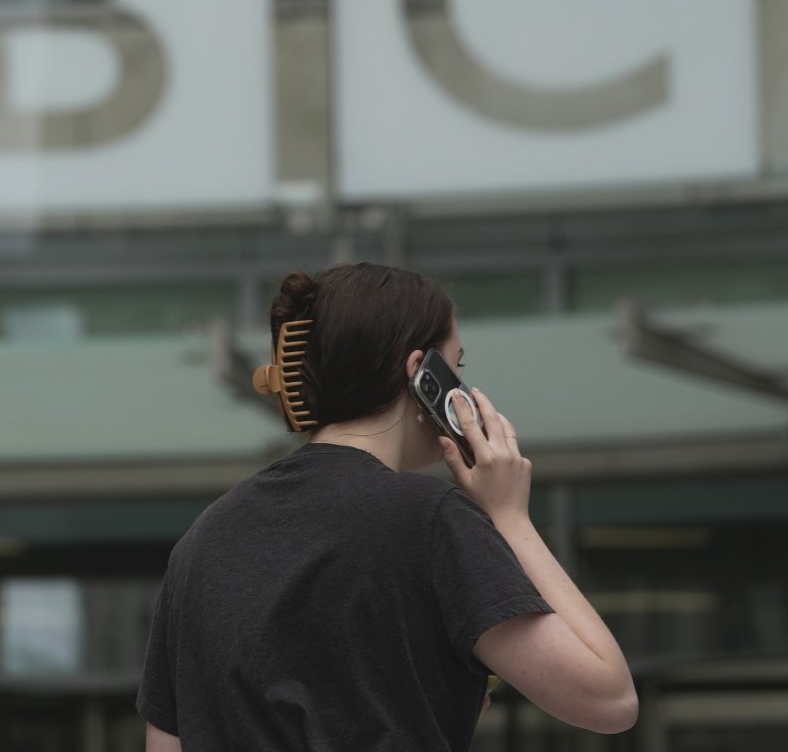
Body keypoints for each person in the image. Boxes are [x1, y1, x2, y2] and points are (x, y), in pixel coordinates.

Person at [137, 263, 637, 750]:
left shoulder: (204, 538)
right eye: (456, 367)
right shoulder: (429, 519)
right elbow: (610, 700)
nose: (462, 388)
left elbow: (166, 739)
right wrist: (511, 517)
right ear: (422, 374)